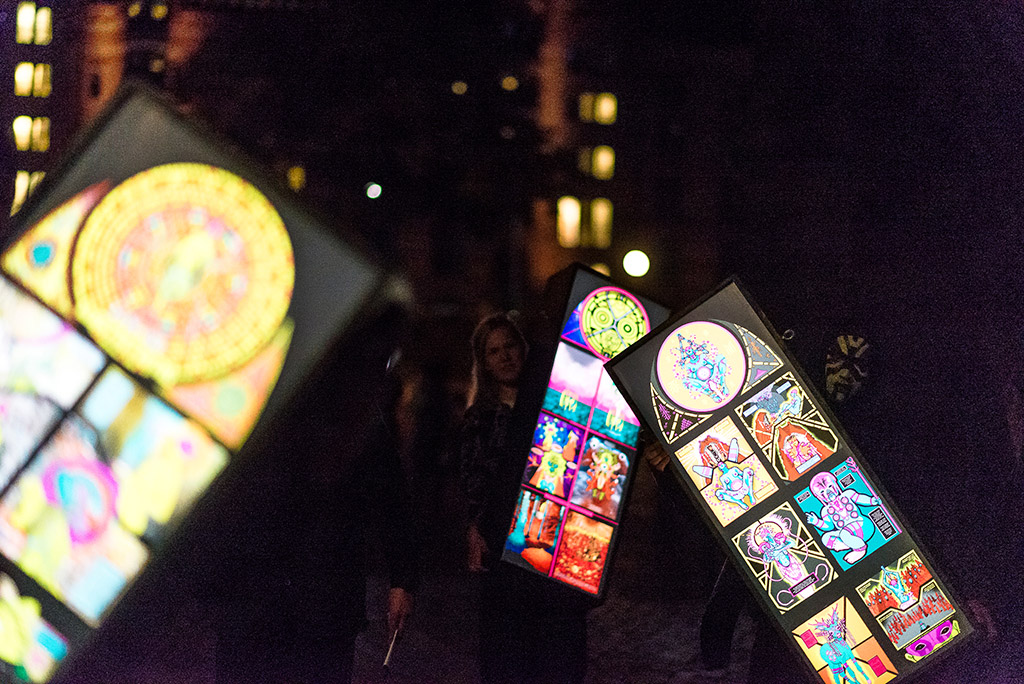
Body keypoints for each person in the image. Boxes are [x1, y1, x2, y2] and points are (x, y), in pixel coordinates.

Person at [457, 312, 592, 684]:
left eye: (510, 346)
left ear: (524, 348)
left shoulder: (556, 406)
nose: (504, 357)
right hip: (505, 547)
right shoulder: (480, 419)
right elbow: (473, 482)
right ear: (483, 362)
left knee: (559, 654)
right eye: (493, 351)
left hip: (556, 542)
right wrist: (474, 528)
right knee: (512, 655)